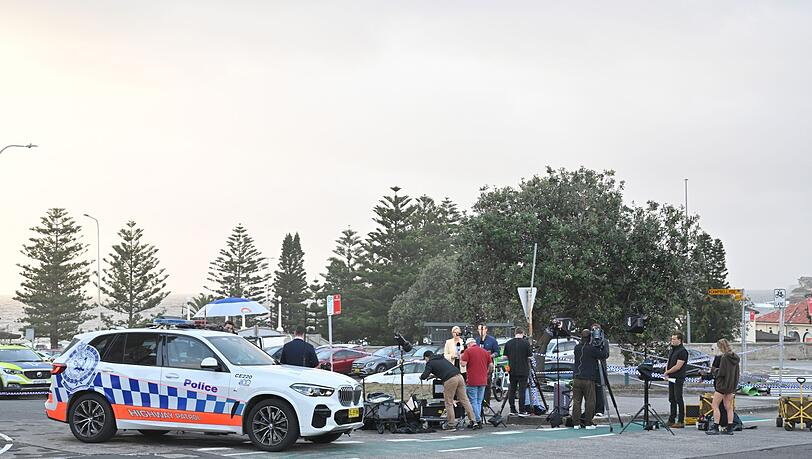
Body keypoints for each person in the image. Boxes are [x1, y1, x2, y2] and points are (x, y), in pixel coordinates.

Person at [420, 350, 477, 431]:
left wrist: (422, 377)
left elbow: (424, 375)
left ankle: (451, 425)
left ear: (427, 357)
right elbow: (444, 369)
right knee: (465, 400)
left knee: (449, 402)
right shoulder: (441, 358)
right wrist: (433, 376)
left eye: (425, 359)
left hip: (450, 380)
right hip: (459, 377)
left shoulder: (430, 363)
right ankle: (474, 421)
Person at [572, 329, 609, 429]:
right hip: (588, 379)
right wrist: (603, 345)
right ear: (590, 338)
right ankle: (588, 423)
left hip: (576, 378)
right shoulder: (592, 349)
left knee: (577, 402)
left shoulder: (577, 348)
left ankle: (576, 423)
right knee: (590, 401)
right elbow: (604, 355)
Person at [706, 338, 740, 435]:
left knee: (715, 405)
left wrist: (714, 370)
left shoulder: (724, 357)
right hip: (731, 385)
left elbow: (722, 372)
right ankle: (729, 427)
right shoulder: (735, 358)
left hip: (722, 385)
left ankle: (716, 426)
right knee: (728, 406)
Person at [461, 337, 494, 428]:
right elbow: (491, 365)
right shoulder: (485, 352)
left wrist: (461, 357)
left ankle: (477, 420)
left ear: (468, 344)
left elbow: (463, 364)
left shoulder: (468, 351)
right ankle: (477, 419)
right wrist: (487, 373)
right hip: (483, 380)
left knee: (473, 401)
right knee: (479, 401)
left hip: (472, 380)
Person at [503, 327, 532, 416]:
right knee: (522, 391)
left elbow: (505, 357)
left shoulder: (508, 343)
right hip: (523, 370)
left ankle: (512, 409)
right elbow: (529, 357)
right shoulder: (526, 343)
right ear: (522, 333)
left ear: (515, 333)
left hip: (512, 370)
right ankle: (522, 410)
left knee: (512, 390)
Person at [664, 332, 689, 428]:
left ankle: (681, 420)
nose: (672, 341)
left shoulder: (683, 351)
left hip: (678, 377)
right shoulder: (672, 350)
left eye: (674, 339)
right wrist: (666, 372)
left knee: (678, 398)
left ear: (680, 340)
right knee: (672, 398)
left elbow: (678, 366)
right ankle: (671, 419)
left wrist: (668, 372)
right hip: (671, 377)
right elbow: (669, 361)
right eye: (672, 339)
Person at [591, 323, 607, 418]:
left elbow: (606, 354)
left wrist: (600, 349)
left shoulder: (605, 341)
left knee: (600, 389)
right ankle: (591, 409)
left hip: (601, 368)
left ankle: (600, 409)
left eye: (597, 329)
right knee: (591, 390)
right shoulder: (589, 342)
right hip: (592, 368)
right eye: (593, 329)